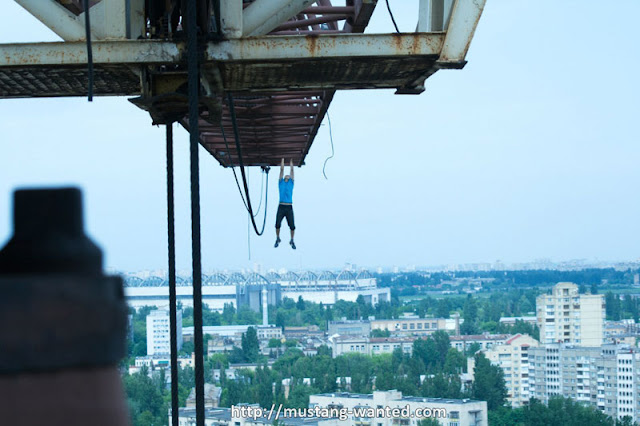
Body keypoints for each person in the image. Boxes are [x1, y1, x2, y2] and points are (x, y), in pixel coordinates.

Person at [275, 158, 296, 249]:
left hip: (289, 206)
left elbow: (292, 170)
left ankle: (292, 240)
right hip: (281, 206)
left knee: (292, 226)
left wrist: (291, 161)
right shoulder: (281, 183)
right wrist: (282, 159)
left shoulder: (291, 183)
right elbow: (282, 170)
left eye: (288, 176)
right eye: (286, 176)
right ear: (284, 178)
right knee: (277, 224)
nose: (287, 176)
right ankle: (277, 238)